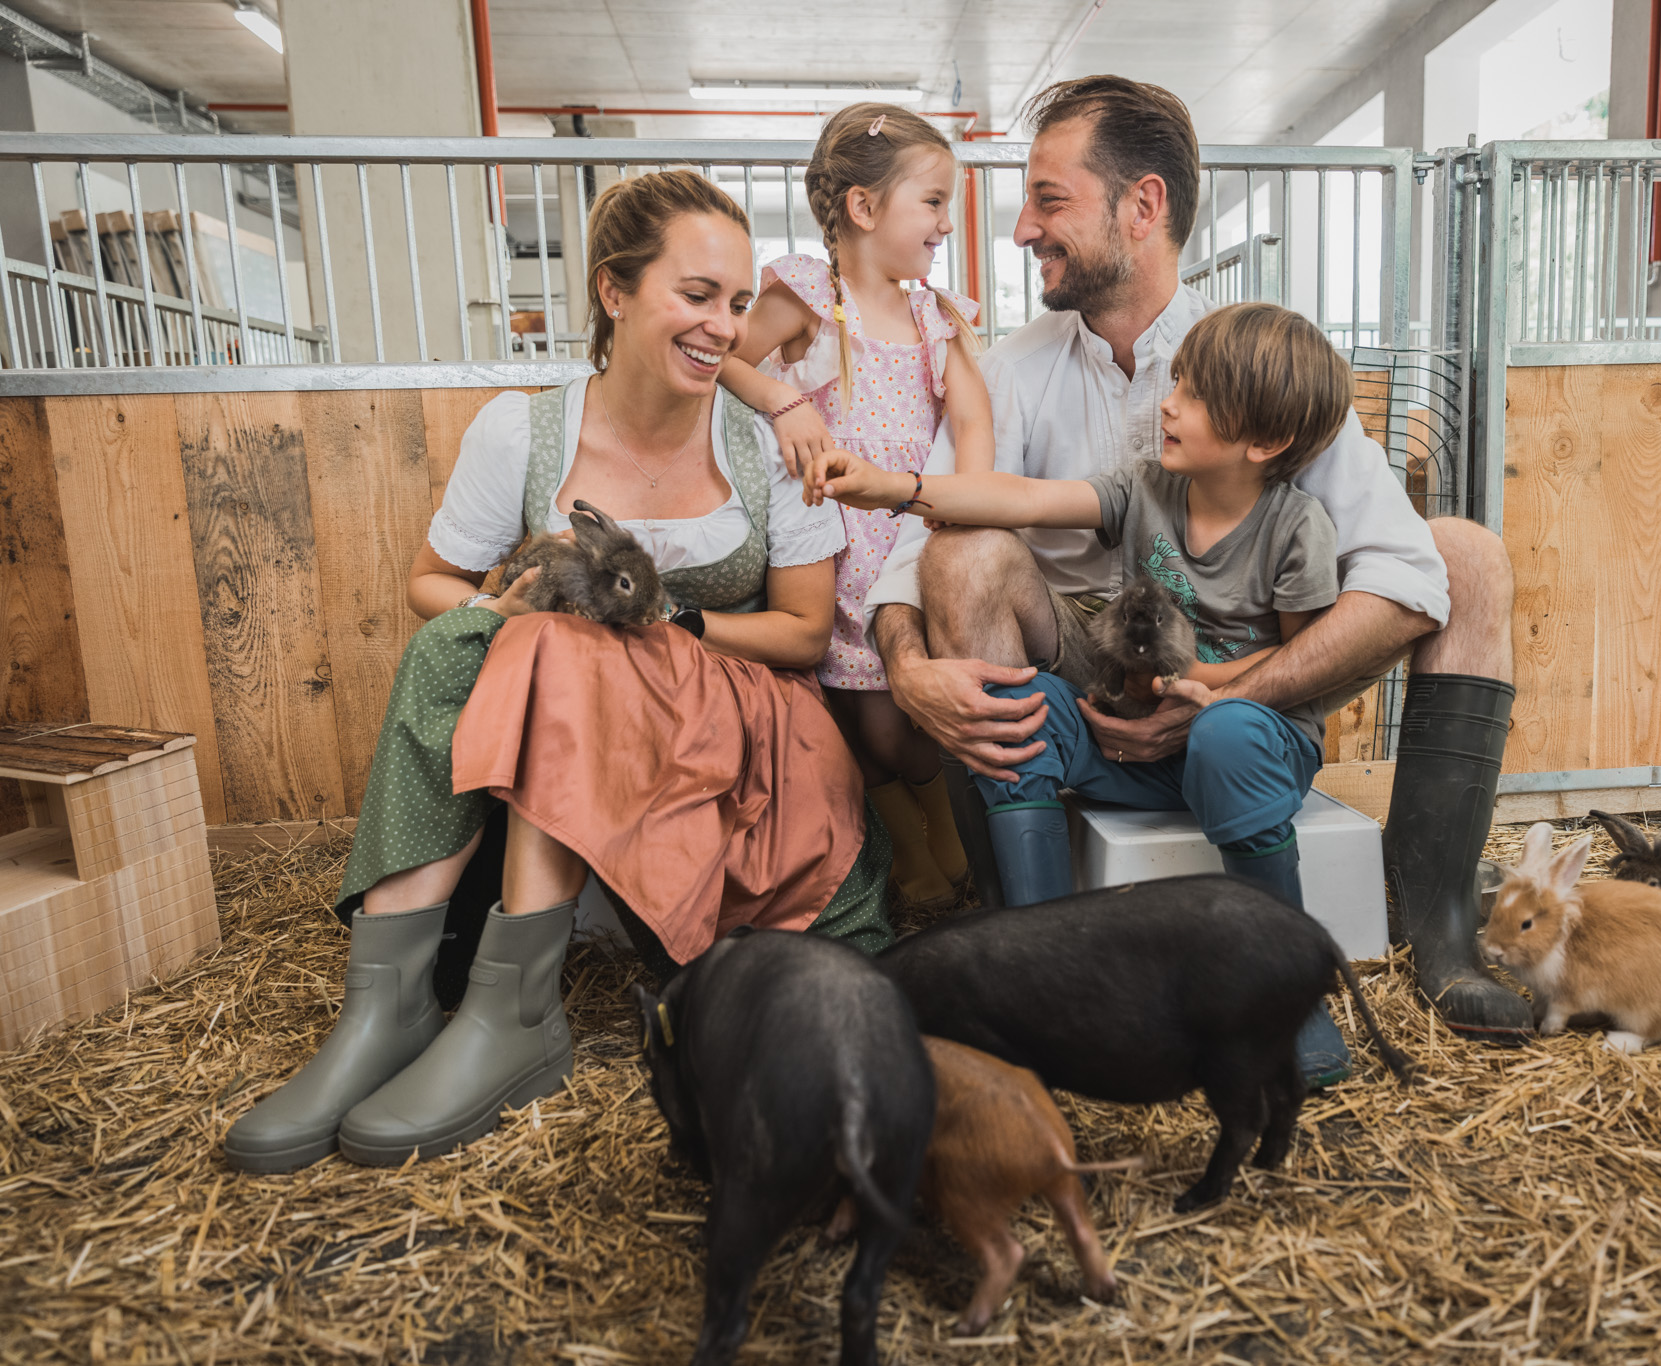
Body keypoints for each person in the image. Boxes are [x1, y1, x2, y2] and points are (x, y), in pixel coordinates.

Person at [223, 169, 889, 1176]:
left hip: (746, 738)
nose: (724, 324)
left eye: (739, 301)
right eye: (697, 294)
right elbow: (430, 585)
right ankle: (388, 1010)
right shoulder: (522, 429)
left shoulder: (764, 440)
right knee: (481, 634)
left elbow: (801, 633)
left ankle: (510, 1012)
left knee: (561, 639)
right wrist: (509, 612)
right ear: (614, 291)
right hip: (581, 723)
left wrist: (661, 622)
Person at [863, 75, 1529, 1046]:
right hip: (1086, 672)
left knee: (1465, 555)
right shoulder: (1009, 370)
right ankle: (1020, 942)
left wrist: (1235, 691)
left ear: (1142, 206)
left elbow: (1405, 573)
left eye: (1048, 199)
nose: (1018, 229)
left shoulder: (1253, 363)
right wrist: (904, 664)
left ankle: (1438, 936)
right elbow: (911, 551)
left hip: (1239, 676)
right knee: (962, 558)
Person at [814, 301, 1357, 1080]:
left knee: (1229, 733)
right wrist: (895, 488)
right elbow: (1026, 500)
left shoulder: (1297, 527)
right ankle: (1036, 974)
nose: (1167, 402)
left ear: (1262, 442)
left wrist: (1202, 687)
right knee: (1011, 703)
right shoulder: (1144, 489)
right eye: (1179, 383)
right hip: (1132, 733)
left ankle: (1288, 998)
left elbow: (1303, 652)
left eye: (1196, 396)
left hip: (1243, 739)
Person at [719, 103, 991, 911]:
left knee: (917, 728)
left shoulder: (938, 317)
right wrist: (780, 400)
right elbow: (721, 359)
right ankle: (913, 857)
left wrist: (961, 524)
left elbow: (972, 429)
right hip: (838, 551)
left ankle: (948, 853)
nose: (946, 224)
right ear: (864, 209)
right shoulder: (808, 295)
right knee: (867, 727)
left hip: (911, 542)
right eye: (934, 202)